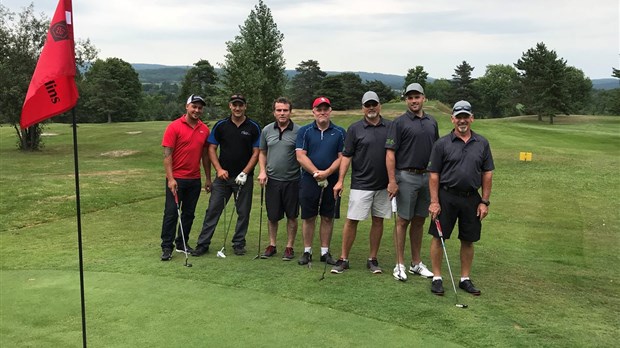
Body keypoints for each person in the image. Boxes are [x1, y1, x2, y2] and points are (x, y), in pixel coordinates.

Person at [427, 100, 494, 296]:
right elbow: (434, 175)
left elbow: (487, 173)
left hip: (471, 198)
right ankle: (437, 277)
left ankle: (465, 278)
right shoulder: (442, 144)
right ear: (452, 119)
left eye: (466, 117)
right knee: (439, 237)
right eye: (459, 117)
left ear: (471, 118)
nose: (462, 120)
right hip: (446, 196)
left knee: (468, 239)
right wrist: (434, 201)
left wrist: (484, 201)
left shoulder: (482, 143)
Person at [192, 94, 261, 256]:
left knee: (243, 212)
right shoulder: (221, 125)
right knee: (213, 210)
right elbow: (211, 149)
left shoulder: (253, 126)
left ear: (245, 107)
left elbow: (256, 152)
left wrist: (245, 172)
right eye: (234, 105)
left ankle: (238, 243)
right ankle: (203, 244)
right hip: (222, 178)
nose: (237, 108)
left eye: (240, 105)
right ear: (230, 106)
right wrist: (219, 169)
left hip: (244, 179)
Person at [331, 91, 391, 274]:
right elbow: (347, 156)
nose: (371, 108)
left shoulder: (390, 126)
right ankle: (343, 259)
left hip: (383, 184)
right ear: (362, 107)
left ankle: (372, 259)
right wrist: (340, 181)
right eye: (367, 105)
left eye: (374, 104)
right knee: (352, 220)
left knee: (378, 221)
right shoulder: (355, 128)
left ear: (380, 105)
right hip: (361, 183)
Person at [385, 83, 438, 281]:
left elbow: (436, 151)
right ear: (406, 100)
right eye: (410, 97)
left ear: (424, 98)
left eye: (417, 97)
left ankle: (416, 263)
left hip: (427, 176)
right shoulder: (399, 123)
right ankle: (399, 264)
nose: (414, 101)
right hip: (406, 176)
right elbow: (390, 154)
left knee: (419, 220)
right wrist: (392, 180)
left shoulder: (432, 122)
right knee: (403, 220)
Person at [160, 94, 212, 261]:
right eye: (194, 106)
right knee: (171, 213)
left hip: (194, 179)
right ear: (187, 107)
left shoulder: (204, 129)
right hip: (177, 179)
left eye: (200, 107)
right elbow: (167, 155)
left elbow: (205, 156)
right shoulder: (174, 127)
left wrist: (208, 178)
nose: (197, 110)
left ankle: (182, 242)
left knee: (189, 214)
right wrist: (170, 179)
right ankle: (167, 247)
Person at [295, 96, 346, 266]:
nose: (322, 112)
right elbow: (300, 156)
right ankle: (307, 251)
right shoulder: (305, 131)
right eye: (319, 109)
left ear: (330, 111)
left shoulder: (339, 132)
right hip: (309, 180)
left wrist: (328, 172)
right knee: (308, 217)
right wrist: (317, 173)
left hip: (331, 181)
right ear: (314, 111)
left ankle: (325, 252)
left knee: (327, 216)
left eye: (325, 109)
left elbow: (342, 157)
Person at [257, 97, 300, 261]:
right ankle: (272, 245)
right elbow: (262, 152)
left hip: (293, 180)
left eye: (285, 110)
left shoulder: (299, 131)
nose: (282, 113)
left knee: (292, 216)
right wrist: (262, 171)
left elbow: (302, 155)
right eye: (279, 110)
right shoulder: (267, 130)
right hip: (272, 180)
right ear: (274, 112)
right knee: (272, 216)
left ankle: (289, 247)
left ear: (290, 111)